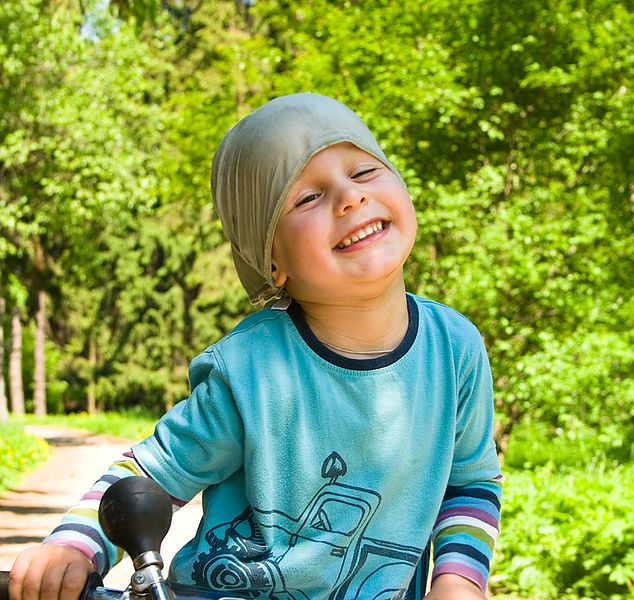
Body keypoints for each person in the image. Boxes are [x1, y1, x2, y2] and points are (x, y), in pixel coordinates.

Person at [8, 93, 502, 600]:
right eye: (306, 198)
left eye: (363, 171)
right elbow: (149, 475)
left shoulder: (454, 350)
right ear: (273, 262)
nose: (350, 198)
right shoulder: (251, 370)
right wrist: (72, 546)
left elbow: (471, 484)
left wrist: (459, 579)